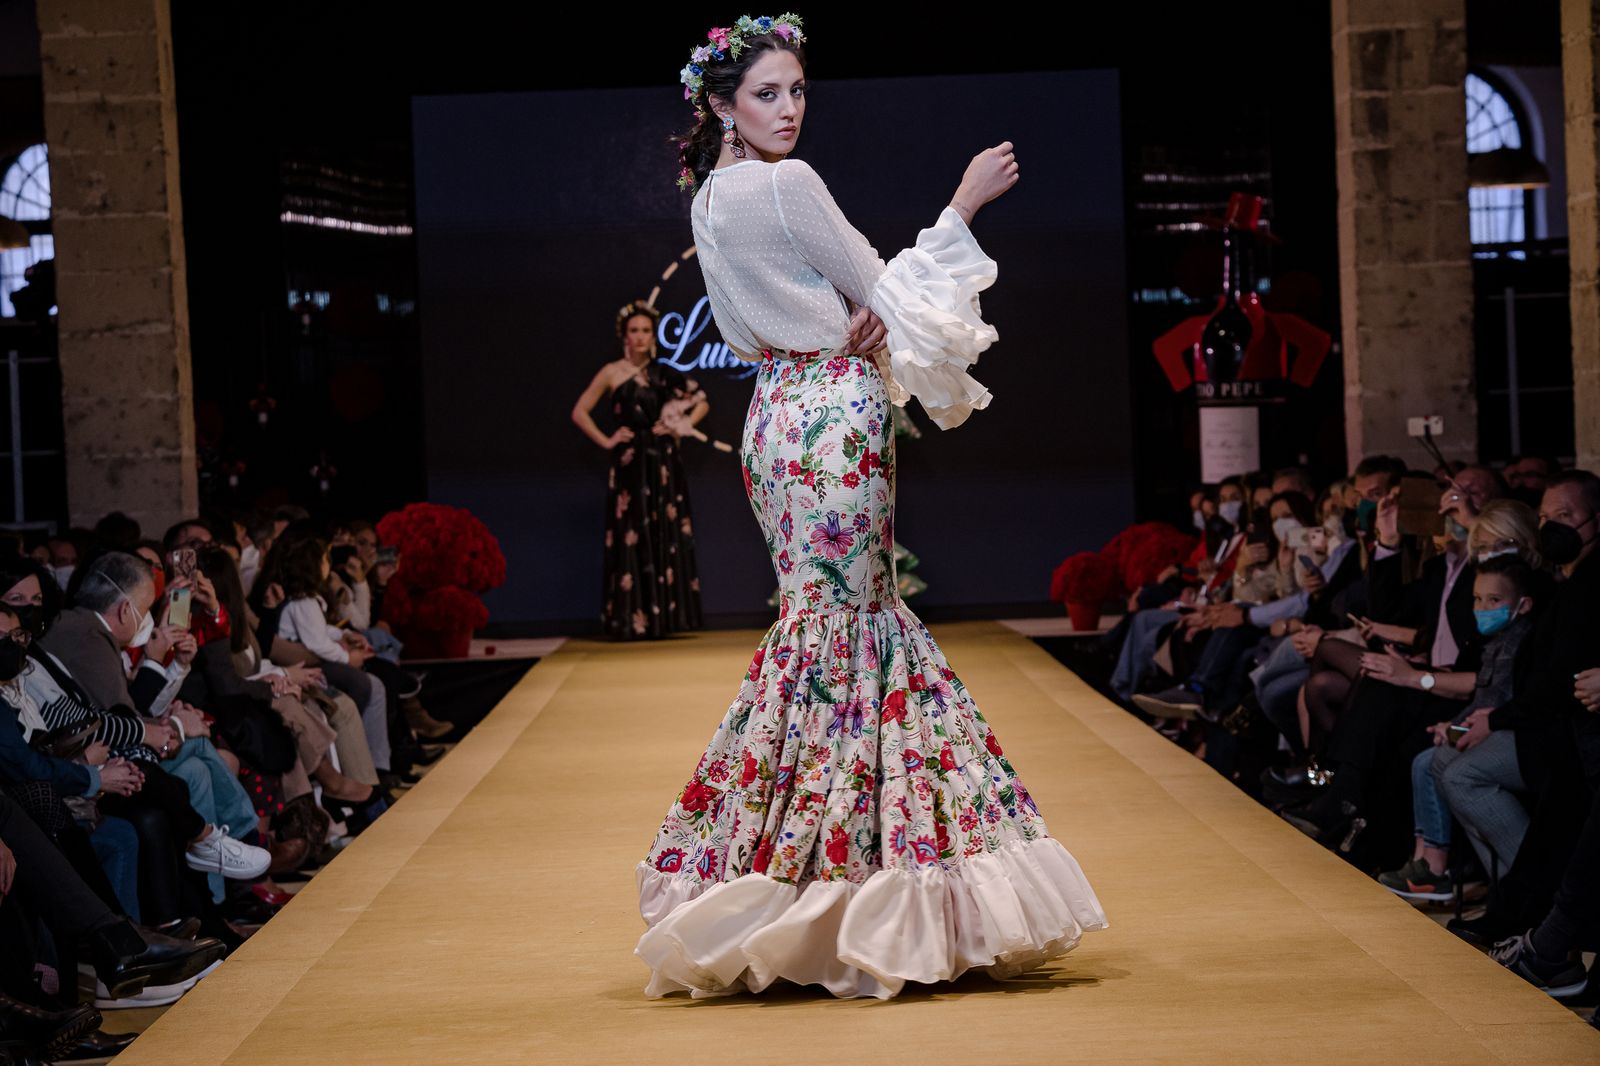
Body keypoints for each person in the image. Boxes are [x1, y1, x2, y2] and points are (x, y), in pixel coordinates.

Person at [634, 15, 1105, 1001]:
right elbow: (891, 294)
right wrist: (963, 204)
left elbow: (758, 323)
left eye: (798, 91)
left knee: (820, 628)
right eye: (767, 94)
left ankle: (795, 869)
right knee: (853, 628)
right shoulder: (789, 184)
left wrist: (853, 316)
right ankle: (858, 884)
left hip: (774, 416)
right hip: (834, 418)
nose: (789, 109)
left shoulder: (708, 198)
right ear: (722, 104)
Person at [571, 300, 707, 639]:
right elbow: (580, 412)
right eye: (635, 330)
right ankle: (632, 619)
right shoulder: (612, 372)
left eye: (646, 330)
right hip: (630, 464)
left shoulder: (664, 372)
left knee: (663, 531)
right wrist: (607, 441)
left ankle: (666, 619)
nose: (641, 336)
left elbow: (701, 400)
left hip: (662, 463)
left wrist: (679, 427)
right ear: (624, 335)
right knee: (632, 532)